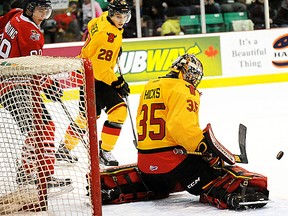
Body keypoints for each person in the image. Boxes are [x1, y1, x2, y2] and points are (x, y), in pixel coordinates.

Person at [134, 53, 269, 209]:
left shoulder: (150, 85)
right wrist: (202, 147)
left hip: (146, 167)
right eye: (192, 74)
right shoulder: (184, 89)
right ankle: (231, 195)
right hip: (172, 165)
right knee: (215, 173)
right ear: (183, 71)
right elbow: (181, 128)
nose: (193, 79)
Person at [0, 0, 72, 188]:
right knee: (42, 129)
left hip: (8, 81)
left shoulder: (15, 15)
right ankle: (42, 176)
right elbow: (33, 69)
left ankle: (26, 172)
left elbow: (6, 17)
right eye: (40, 11)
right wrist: (50, 85)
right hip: (16, 84)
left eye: (47, 12)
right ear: (30, 10)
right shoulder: (32, 34)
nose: (44, 16)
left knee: (41, 128)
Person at [55, 0, 131, 166]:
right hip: (96, 77)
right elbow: (99, 68)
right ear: (111, 14)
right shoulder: (108, 36)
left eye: (125, 15)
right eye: (118, 16)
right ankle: (105, 152)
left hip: (86, 71)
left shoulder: (102, 18)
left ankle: (64, 149)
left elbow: (91, 24)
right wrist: (117, 82)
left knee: (86, 118)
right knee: (119, 111)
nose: (122, 19)